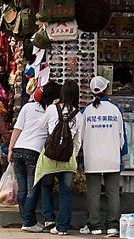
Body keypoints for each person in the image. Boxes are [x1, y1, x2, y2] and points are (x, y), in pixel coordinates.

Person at [9, 81, 60, 233]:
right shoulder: (53, 111)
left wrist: (11, 148)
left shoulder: (28, 106)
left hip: (19, 149)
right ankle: (27, 221)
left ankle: (28, 221)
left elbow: (17, 128)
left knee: (23, 190)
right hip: (34, 153)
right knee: (32, 189)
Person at [78, 76, 125, 237]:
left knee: (93, 193)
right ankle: (112, 225)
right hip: (112, 157)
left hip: (92, 159)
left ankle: (94, 225)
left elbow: (80, 137)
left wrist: (80, 157)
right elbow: (122, 137)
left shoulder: (86, 111)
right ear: (106, 89)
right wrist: (121, 155)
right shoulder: (115, 110)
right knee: (113, 193)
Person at [35, 80, 82, 236]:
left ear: (61, 93)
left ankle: (49, 218)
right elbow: (78, 141)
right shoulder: (79, 115)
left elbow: (40, 125)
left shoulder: (52, 109)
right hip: (68, 158)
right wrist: (72, 155)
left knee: (46, 185)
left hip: (49, 156)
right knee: (65, 191)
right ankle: (62, 227)